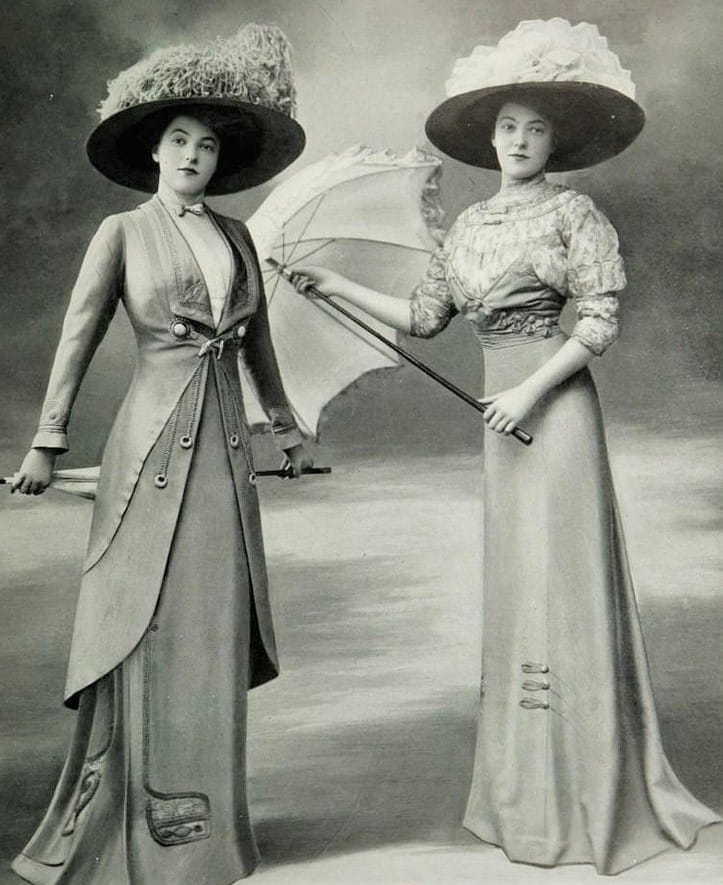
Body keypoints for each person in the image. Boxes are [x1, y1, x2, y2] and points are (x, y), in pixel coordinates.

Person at [293, 18, 720, 876]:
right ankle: (526, 789)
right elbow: (424, 317)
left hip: (551, 411)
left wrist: (527, 387)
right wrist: (334, 283)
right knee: (520, 582)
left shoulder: (574, 213)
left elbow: (597, 321)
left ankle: (594, 793)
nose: (518, 140)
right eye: (506, 128)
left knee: (563, 579)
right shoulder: (469, 226)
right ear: (487, 139)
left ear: (554, 138)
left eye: (533, 128)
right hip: (499, 423)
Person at [10, 24, 312, 885]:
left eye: (207, 145)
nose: (192, 154)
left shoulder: (239, 240)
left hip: (224, 448)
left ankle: (212, 835)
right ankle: (135, 830)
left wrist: (284, 426)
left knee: (211, 624)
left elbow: (255, 350)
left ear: (221, 162)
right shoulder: (121, 232)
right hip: (146, 446)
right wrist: (47, 439)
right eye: (178, 139)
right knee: (146, 622)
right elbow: (76, 339)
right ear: (153, 150)